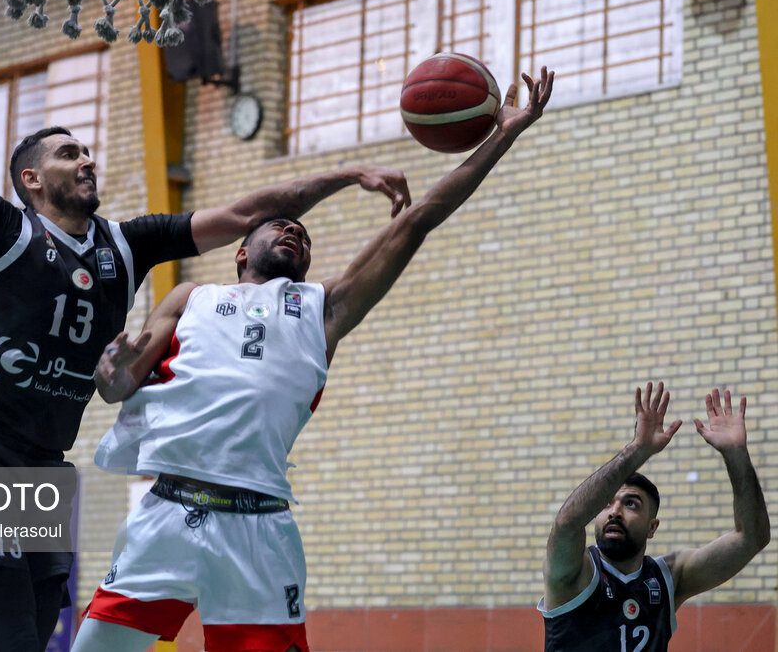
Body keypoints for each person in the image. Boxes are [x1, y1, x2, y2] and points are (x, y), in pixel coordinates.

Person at [0, 0, 411, 651]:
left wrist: (347, 173)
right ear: (32, 179)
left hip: (45, 462)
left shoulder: (126, 246)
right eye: (69, 153)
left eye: (88, 152)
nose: (87, 160)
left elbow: (247, 214)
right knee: (12, 636)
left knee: (34, 636)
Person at [72, 68, 555, 652]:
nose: (294, 234)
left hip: (257, 529)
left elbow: (422, 215)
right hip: (167, 515)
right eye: (281, 226)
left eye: (303, 237)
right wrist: (111, 372)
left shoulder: (323, 309)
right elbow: (119, 385)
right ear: (240, 253)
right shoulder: (191, 297)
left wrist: (504, 135)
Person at [538, 382, 770, 651]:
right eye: (606, 504)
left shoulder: (669, 576)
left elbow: (751, 538)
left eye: (631, 504)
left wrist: (736, 455)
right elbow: (567, 523)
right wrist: (638, 449)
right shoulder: (573, 571)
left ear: (652, 527)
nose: (614, 511)